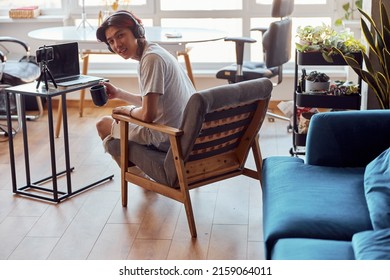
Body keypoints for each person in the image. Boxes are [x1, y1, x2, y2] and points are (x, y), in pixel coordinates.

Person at [95, 10, 196, 164]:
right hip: (184, 134)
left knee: (103, 125)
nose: (117, 45)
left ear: (137, 32)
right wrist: (119, 93)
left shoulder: (151, 60)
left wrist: (125, 110)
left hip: (167, 138)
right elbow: (152, 103)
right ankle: (146, 178)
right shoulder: (155, 52)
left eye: (120, 35)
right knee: (119, 121)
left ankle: (143, 180)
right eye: (111, 41)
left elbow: (148, 114)